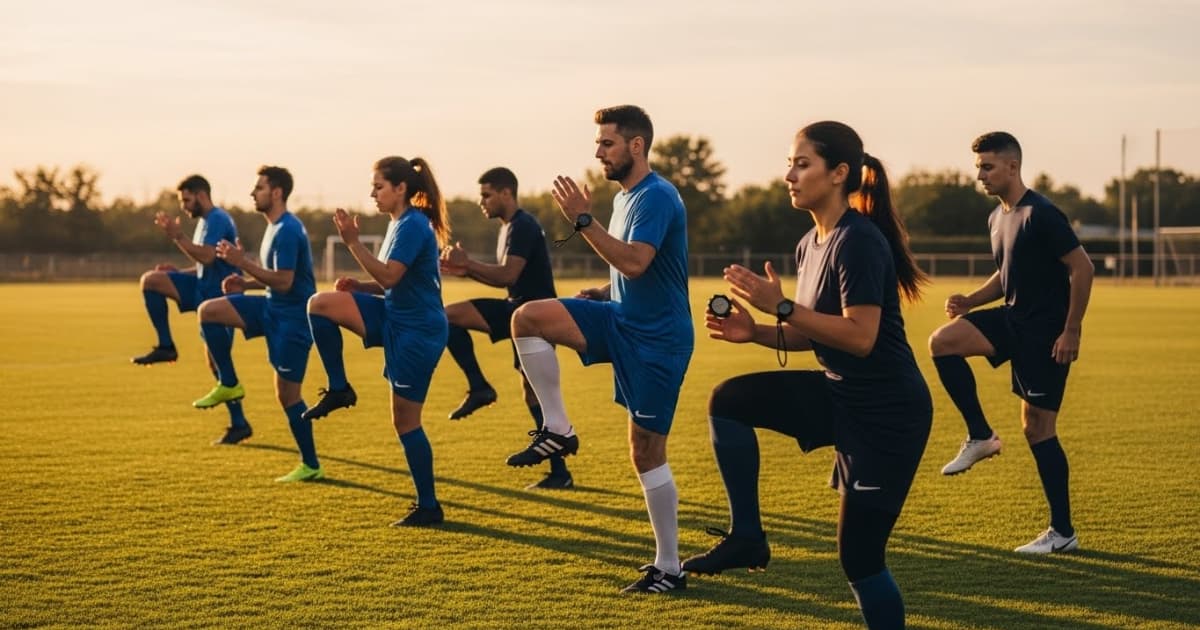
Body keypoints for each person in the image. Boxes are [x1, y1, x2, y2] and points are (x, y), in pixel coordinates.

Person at [683, 121, 931, 629]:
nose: (789, 175)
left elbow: (859, 337)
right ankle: (747, 536)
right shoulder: (809, 243)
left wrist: (783, 305)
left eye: (802, 164)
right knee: (729, 399)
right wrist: (754, 330)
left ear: (839, 173)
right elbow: (813, 333)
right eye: (789, 164)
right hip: (841, 395)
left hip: (887, 412)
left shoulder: (858, 241)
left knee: (859, 559)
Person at [505, 105, 693, 593]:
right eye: (598, 144)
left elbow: (636, 262)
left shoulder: (655, 196)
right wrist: (604, 293)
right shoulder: (625, 199)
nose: (598, 152)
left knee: (646, 451)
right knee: (527, 317)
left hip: (658, 339)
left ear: (636, 146)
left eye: (606, 143)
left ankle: (669, 568)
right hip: (622, 318)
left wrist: (582, 219)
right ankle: (558, 428)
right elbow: (631, 271)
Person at [928, 131, 1094, 554]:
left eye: (987, 167)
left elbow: (1083, 268)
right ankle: (980, 435)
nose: (979, 175)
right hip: (1012, 319)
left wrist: (1071, 329)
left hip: (1045, 335)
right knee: (942, 342)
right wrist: (971, 300)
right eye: (978, 167)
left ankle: (1062, 533)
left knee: (1037, 428)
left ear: (1012, 167)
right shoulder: (996, 217)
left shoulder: (1042, 214)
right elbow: (1008, 276)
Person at [301, 156, 451, 527]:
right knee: (320, 304)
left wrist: (352, 243)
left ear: (401, 188)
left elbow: (389, 277)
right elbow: (395, 281)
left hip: (418, 331)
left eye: (378, 186)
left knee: (405, 422)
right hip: (395, 317)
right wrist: (360, 285)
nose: (372, 193)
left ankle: (429, 507)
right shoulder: (400, 223)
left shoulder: (414, 224)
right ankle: (339, 388)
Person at [439, 166, 573, 490]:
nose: (481, 201)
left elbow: (508, 276)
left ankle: (480, 388)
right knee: (532, 390)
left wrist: (468, 264)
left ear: (505, 193)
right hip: (521, 312)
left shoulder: (523, 225)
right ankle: (559, 473)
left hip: (532, 314)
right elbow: (506, 277)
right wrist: (466, 270)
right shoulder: (509, 227)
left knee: (445, 316)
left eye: (486, 195)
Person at [191, 166, 320, 482]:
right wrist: (245, 283)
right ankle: (229, 383)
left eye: (259, 187)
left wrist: (241, 262)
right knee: (209, 311)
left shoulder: (288, 229)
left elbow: (287, 282)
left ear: (276, 192)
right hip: (270, 308)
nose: (252, 193)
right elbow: (276, 279)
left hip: (292, 321)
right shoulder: (275, 227)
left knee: (288, 396)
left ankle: (311, 465)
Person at [131, 175, 250, 445]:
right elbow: (205, 263)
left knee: (217, 362)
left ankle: (239, 423)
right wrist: (180, 271)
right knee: (152, 281)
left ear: (201, 194)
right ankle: (165, 346)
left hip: (220, 298)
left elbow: (208, 255)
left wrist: (177, 236)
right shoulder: (205, 222)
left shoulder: (219, 218)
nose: (184, 207)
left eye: (186, 200)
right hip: (200, 289)